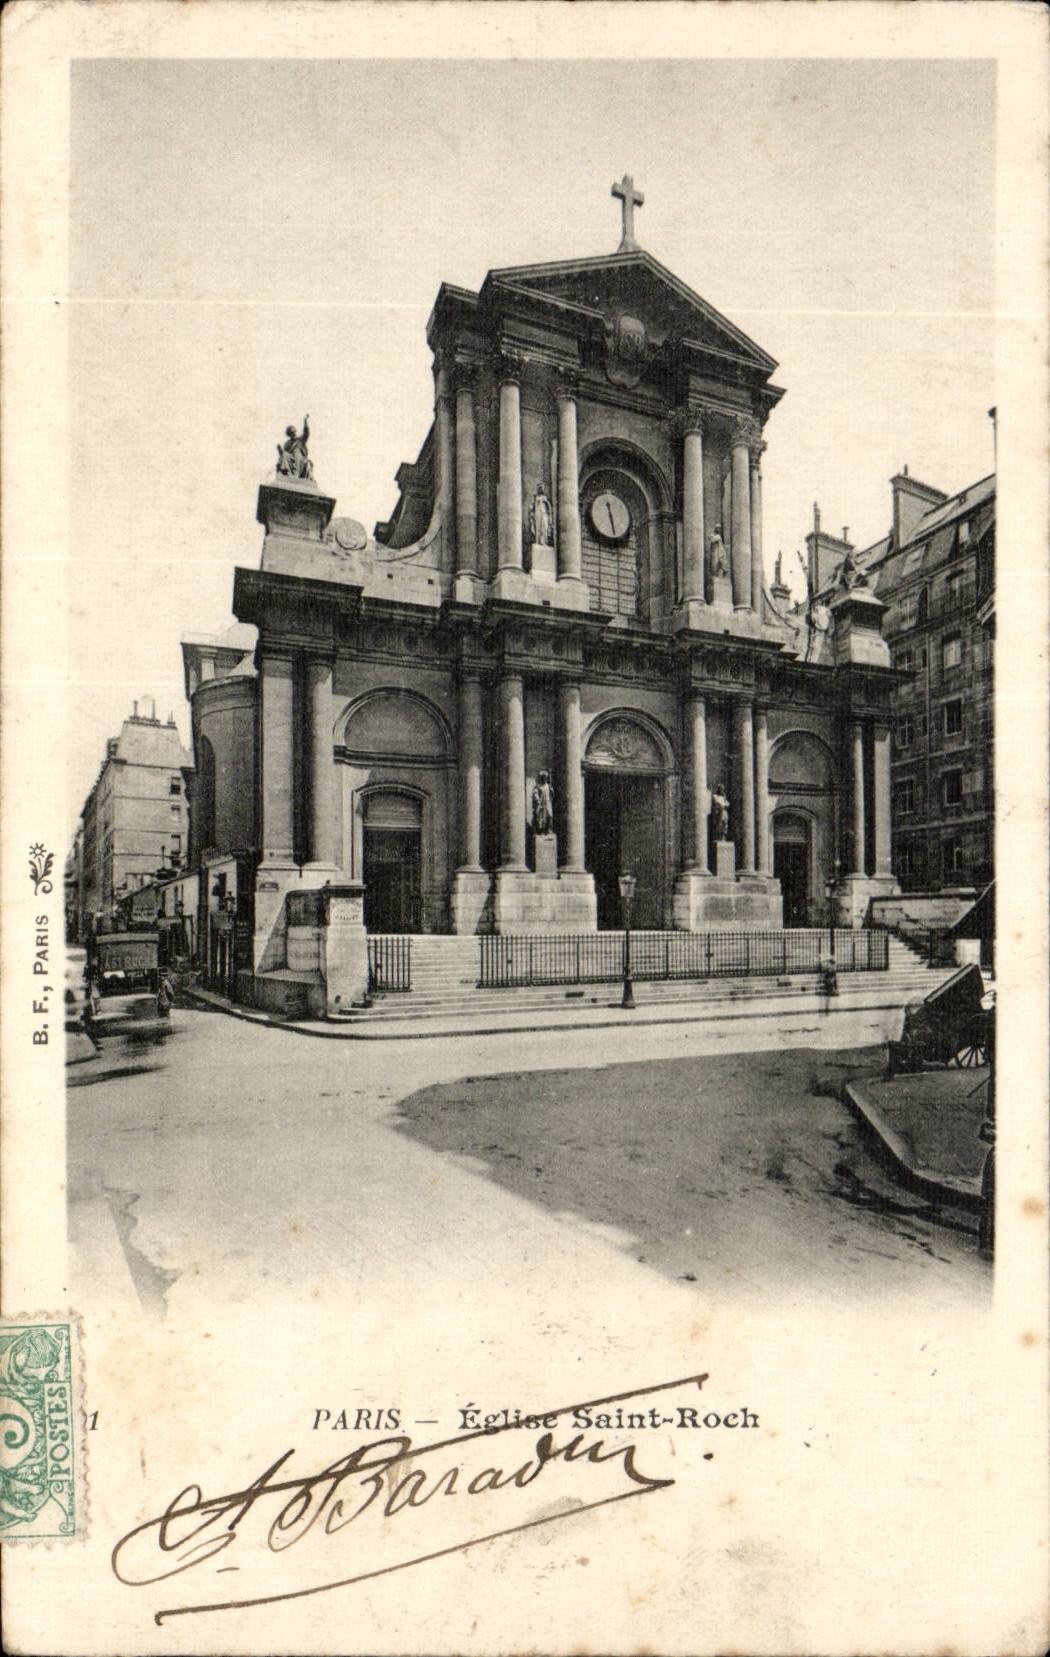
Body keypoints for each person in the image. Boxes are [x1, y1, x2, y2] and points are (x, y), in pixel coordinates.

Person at [531, 770, 555, 836]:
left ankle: (548, 830)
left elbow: (552, 794)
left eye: (545, 777)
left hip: (547, 803)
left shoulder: (548, 786)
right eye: (543, 777)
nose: (544, 779)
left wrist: (550, 798)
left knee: (549, 815)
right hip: (541, 803)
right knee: (540, 817)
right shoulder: (538, 786)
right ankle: (541, 831)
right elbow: (535, 793)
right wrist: (538, 800)